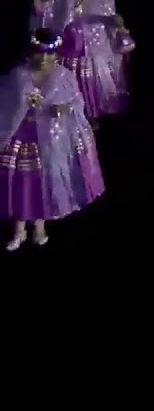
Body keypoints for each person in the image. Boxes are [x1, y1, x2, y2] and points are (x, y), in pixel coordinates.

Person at [1, 28, 106, 250]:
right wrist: (20, 107)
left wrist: (63, 109)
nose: (44, 58)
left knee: (42, 183)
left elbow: (76, 103)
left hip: (50, 139)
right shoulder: (18, 76)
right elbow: (5, 104)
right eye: (39, 52)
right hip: (22, 137)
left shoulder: (64, 76)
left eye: (49, 53)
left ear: (56, 54)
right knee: (21, 183)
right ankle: (19, 230)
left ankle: (40, 227)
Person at [48, 0, 132, 122]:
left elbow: (110, 17)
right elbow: (56, 21)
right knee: (74, 83)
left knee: (95, 82)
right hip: (71, 49)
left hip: (95, 48)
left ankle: (96, 114)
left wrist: (114, 23)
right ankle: (79, 114)